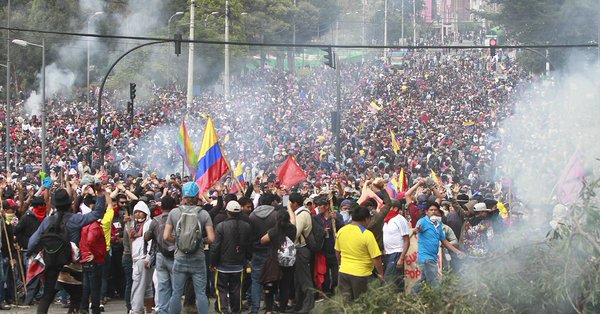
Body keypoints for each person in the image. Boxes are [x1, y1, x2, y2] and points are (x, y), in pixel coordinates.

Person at [28, 187, 107, 314]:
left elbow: (33, 241)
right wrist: (100, 194)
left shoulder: (48, 221)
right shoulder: (76, 219)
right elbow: (97, 214)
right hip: (71, 264)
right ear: (70, 204)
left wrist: (30, 254)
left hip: (51, 262)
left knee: (46, 297)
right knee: (77, 297)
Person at [164, 182, 215, 314]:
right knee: (201, 294)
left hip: (180, 257)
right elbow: (211, 238)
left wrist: (179, 241)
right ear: (197, 196)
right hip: (198, 258)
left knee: (176, 293)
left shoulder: (174, 213)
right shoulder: (203, 214)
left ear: (183, 196)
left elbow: (166, 236)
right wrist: (199, 241)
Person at [411, 202, 465, 291]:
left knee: (423, 280)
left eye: (435, 210)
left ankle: (413, 296)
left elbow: (444, 241)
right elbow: (417, 229)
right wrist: (416, 230)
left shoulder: (438, 223)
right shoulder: (422, 221)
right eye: (431, 210)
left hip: (433, 257)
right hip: (426, 257)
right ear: (426, 212)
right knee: (434, 283)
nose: (433, 212)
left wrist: (457, 252)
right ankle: (437, 300)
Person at [209, 201, 251, 314]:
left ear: (227, 212)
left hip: (222, 265)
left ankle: (224, 310)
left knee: (221, 289)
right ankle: (236, 311)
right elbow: (248, 245)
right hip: (238, 264)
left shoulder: (221, 226)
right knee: (236, 289)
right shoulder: (246, 226)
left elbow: (215, 247)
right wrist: (247, 259)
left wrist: (212, 263)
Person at [335, 205, 384, 301]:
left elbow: (337, 252)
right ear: (366, 219)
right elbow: (376, 258)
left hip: (344, 272)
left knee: (346, 305)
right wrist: (381, 273)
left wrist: (340, 265)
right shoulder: (366, 234)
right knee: (361, 305)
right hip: (361, 275)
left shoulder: (341, 231)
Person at [144, 194, 176, 314]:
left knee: (162, 286)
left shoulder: (155, 221)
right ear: (173, 207)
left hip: (160, 256)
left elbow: (147, 237)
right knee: (175, 286)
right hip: (175, 256)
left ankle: (163, 310)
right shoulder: (177, 219)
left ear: (161, 206)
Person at [260, 208, 296, 314]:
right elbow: (293, 221)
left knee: (270, 285)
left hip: (274, 262)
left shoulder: (274, 231)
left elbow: (262, 240)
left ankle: (269, 310)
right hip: (289, 263)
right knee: (285, 287)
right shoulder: (293, 229)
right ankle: (282, 311)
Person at [248, 192, 278, 314]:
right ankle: (271, 307)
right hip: (272, 252)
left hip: (256, 251)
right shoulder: (276, 215)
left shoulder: (252, 216)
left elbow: (249, 236)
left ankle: (255, 308)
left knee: (256, 281)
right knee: (272, 279)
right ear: (272, 202)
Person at [79, 194, 108, 314]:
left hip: (86, 258)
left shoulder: (86, 224)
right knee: (94, 287)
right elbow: (90, 241)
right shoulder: (94, 226)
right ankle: (95, 309)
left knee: (86, 286)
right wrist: (96, 254)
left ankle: (84, 308)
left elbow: (83, 242)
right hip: (94, 260)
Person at [313, 195, 344, 299]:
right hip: (323, 250)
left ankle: (334, 290)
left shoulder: (337, 216)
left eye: (320, 206)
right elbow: (314, 231)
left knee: (336, 276)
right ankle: (326, 293)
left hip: (334, 250)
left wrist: (337, 220)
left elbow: (343, 230)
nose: (318, 208)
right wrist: (322, 231)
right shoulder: (316, 218)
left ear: (326, 206)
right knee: (324, 275)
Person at [291, 192, 315, 314]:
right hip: (298, 250)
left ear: (295, 203)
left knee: (305, 280)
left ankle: (308, 306)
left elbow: (295, 233)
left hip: (301, 249)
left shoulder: (301, 214)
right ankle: (299, 305)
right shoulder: (301, 213)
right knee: (298, 280)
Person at [129, 201, 153, 314]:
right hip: (138, 260)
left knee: (137, 287)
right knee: (147, 289)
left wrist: (148, 257)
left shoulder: (148, 224)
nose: (138, 214)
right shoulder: (135, 226)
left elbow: (150, 242)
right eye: (136, 212)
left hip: (142, 259)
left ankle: (136, 310)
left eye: (140, 212)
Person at [382, 199, 410, 292]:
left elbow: (406, 240)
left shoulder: (400, 219)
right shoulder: (386, 220)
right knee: (396, 280)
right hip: (388, 253)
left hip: (397, 253)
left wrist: (401, 258)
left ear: (395, 208)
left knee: (389, 280)